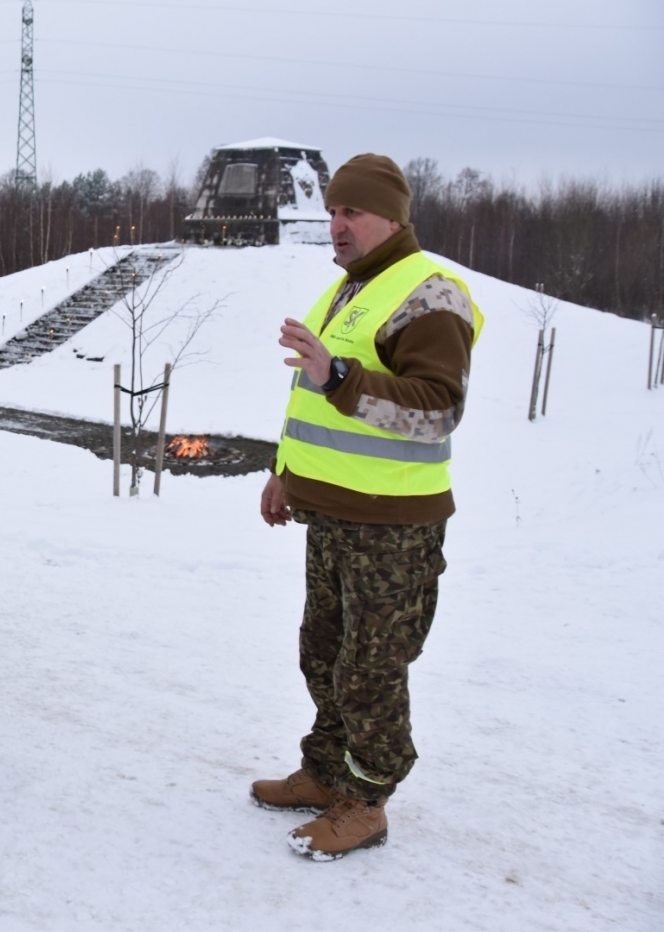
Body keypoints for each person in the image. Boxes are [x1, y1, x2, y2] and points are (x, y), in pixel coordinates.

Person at [254, 154, 483, 861]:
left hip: (393, 525)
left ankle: (368, 798)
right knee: (321, 652)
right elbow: (310, 396)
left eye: (350, 211)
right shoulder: (349, 289)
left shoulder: (428, 295)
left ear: (393, 217)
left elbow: (437, 409)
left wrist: (340, 374)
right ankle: (324, 773)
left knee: (370, 669)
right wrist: (283, 472)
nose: (336, 224)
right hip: (331, 513)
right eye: (331, 211)